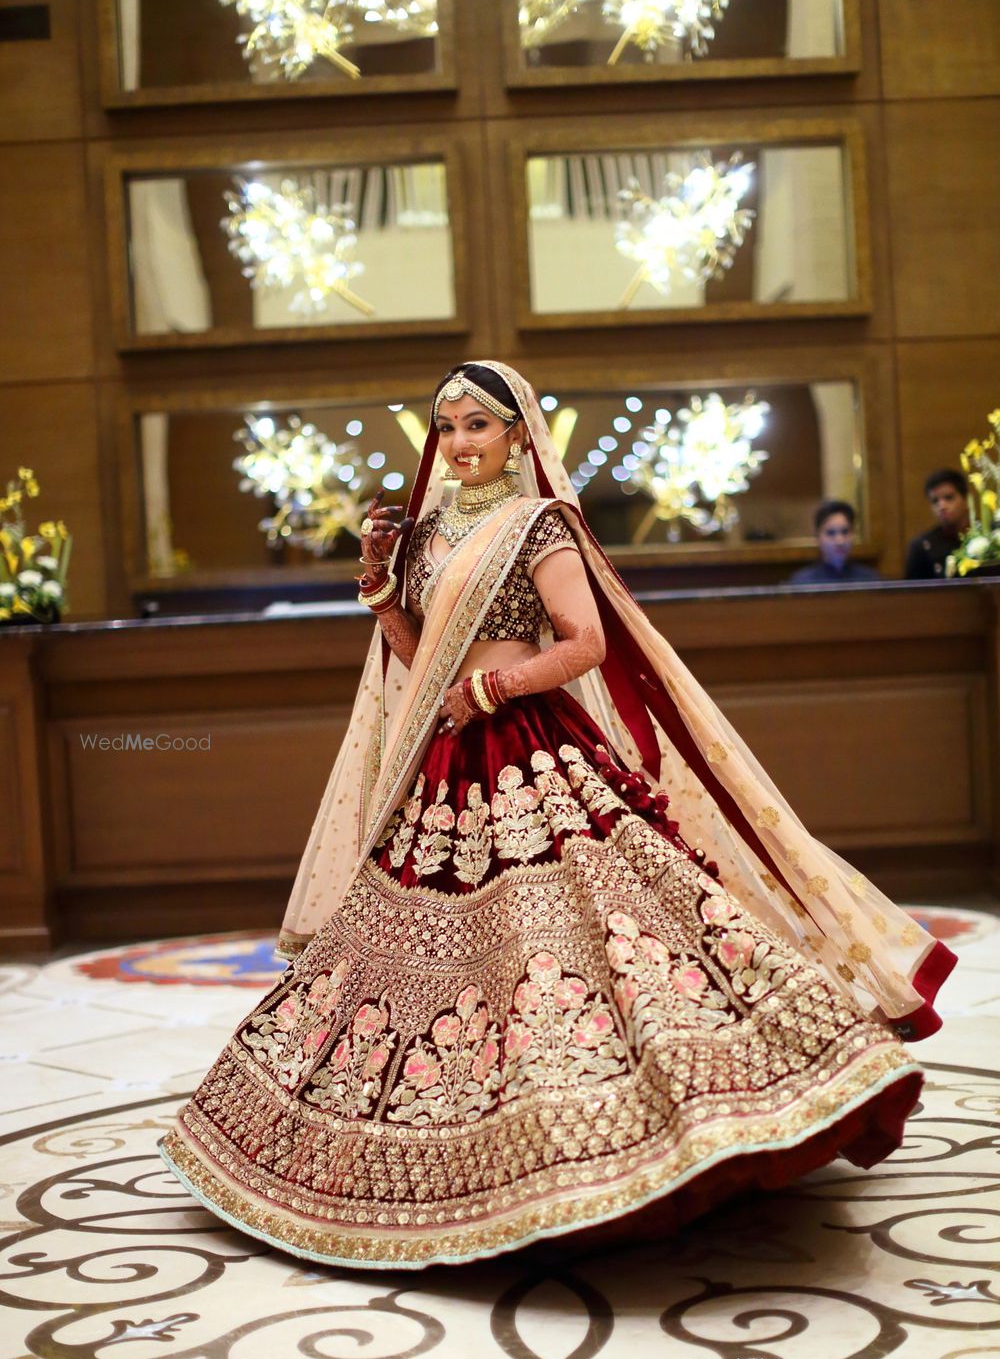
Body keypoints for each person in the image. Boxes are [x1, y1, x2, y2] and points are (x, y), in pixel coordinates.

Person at [160, 362, 955, 1269]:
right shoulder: (422, 532)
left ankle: (649, 1125)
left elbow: (586, 643)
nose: (459, 445)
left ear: (515, 435)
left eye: (477, 428)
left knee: (586, 934)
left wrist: (496, 685)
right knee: (419, 956)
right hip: (444, 755)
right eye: (446, 428)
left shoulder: (538, 525)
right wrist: (384, 588)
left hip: (530, 747)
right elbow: (416, 661)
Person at [788, 500, 882, 586]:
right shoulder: (801, 582)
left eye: (845, 532)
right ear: (817, 537)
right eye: (831, 533)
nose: (839, 541)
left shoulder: (870, 580)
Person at [904, 469, 970, 579]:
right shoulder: (922, 547)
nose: (942, 506)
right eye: (935, 501)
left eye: (949, 498)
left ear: (965, 500)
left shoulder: (987, 539)